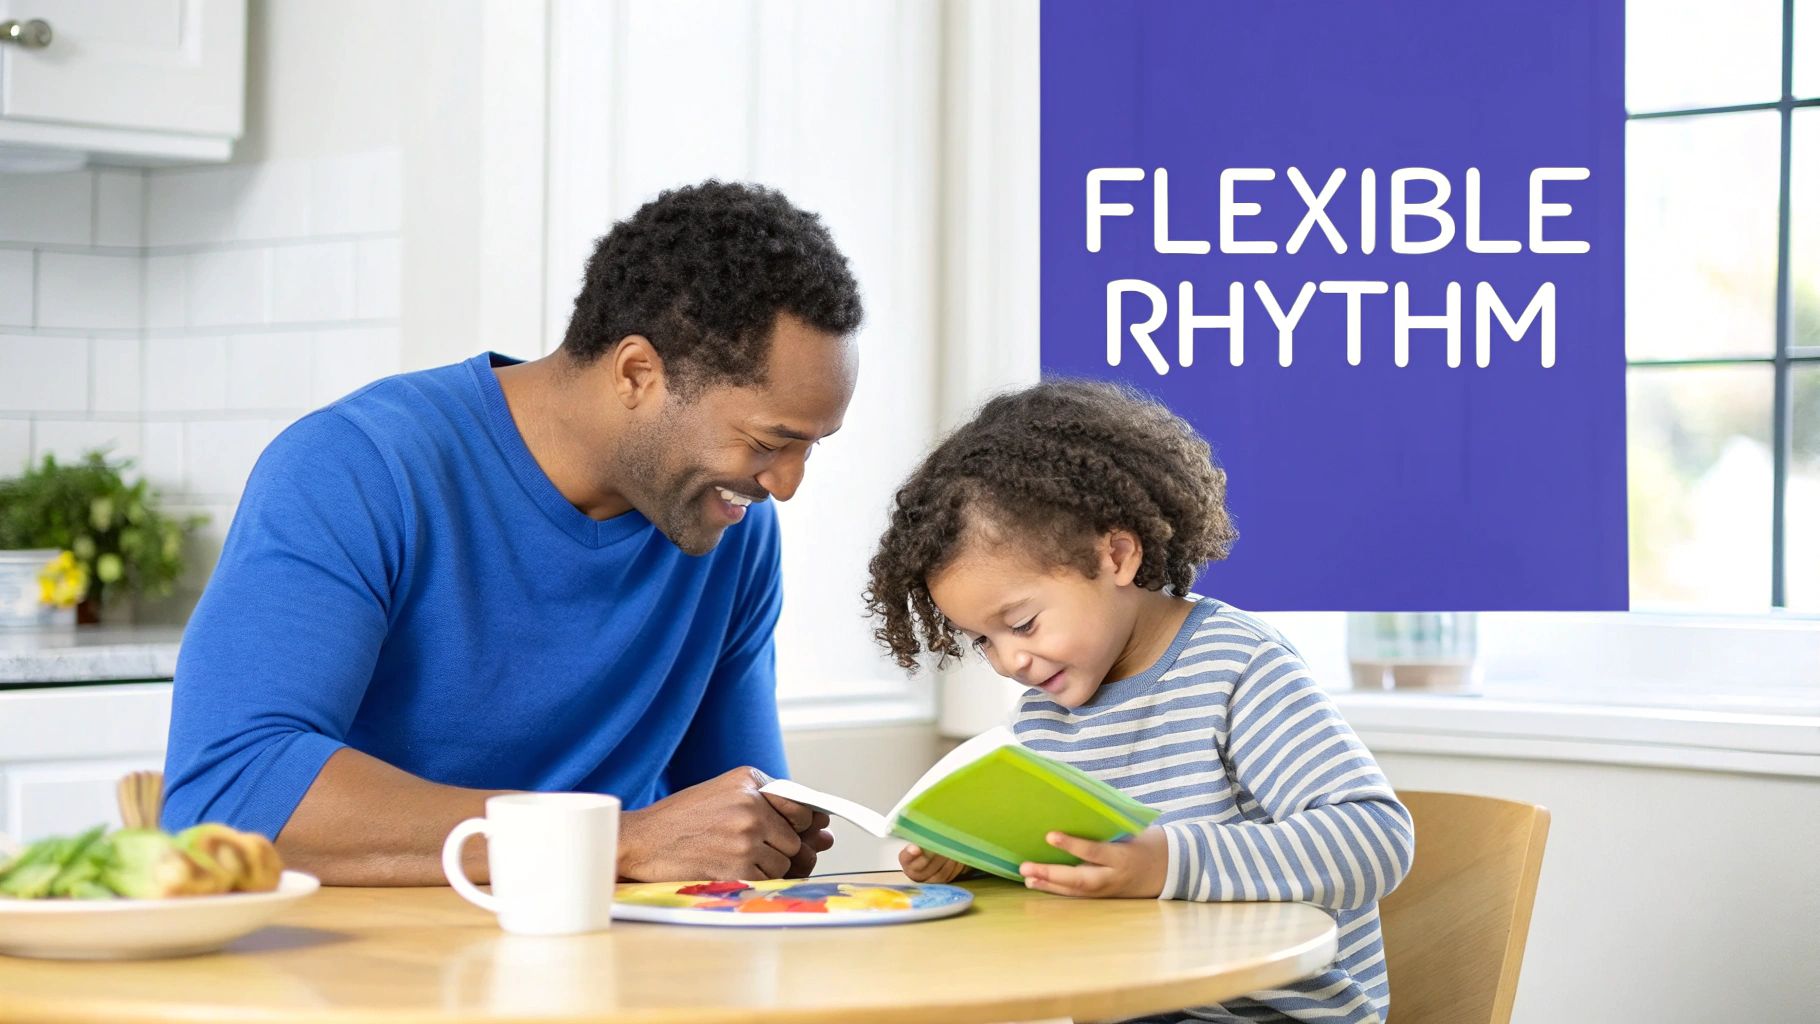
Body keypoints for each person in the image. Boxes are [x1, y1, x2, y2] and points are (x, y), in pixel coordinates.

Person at [163, 181, 863, 886]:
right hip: (371, 974)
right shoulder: (358, 468)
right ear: (637, 373)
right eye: (769, 440)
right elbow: (228, 795)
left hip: (627, 971)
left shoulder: (727, 528)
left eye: (810, 447)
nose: (786, 484)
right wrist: (614, 843)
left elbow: (739, 830)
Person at [864, 380, 1414, 1024]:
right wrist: (977, 861)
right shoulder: (1046, 712)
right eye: (982, 640)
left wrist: (1169, 862)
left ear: (1117, 556)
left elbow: (1375, 840)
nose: (1009, 661)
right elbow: (1075, 875)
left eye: (1023, 624)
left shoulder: (1236, 667)